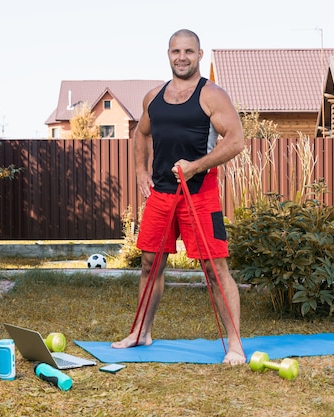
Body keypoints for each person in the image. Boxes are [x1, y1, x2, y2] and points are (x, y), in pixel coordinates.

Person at [112, 29, 246, 365]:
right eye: (176, 51)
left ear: (199, 55)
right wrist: (141, 172)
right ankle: (141, 331)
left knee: (215, 269)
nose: (181, 57)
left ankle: (235, 345)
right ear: (168, 54)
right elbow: (141, 134)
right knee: (149, 263)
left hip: (200, 193)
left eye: (188, 51)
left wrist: (195, 166)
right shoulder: (153, 97)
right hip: (161, 193)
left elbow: (236, 140)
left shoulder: (212, 95)